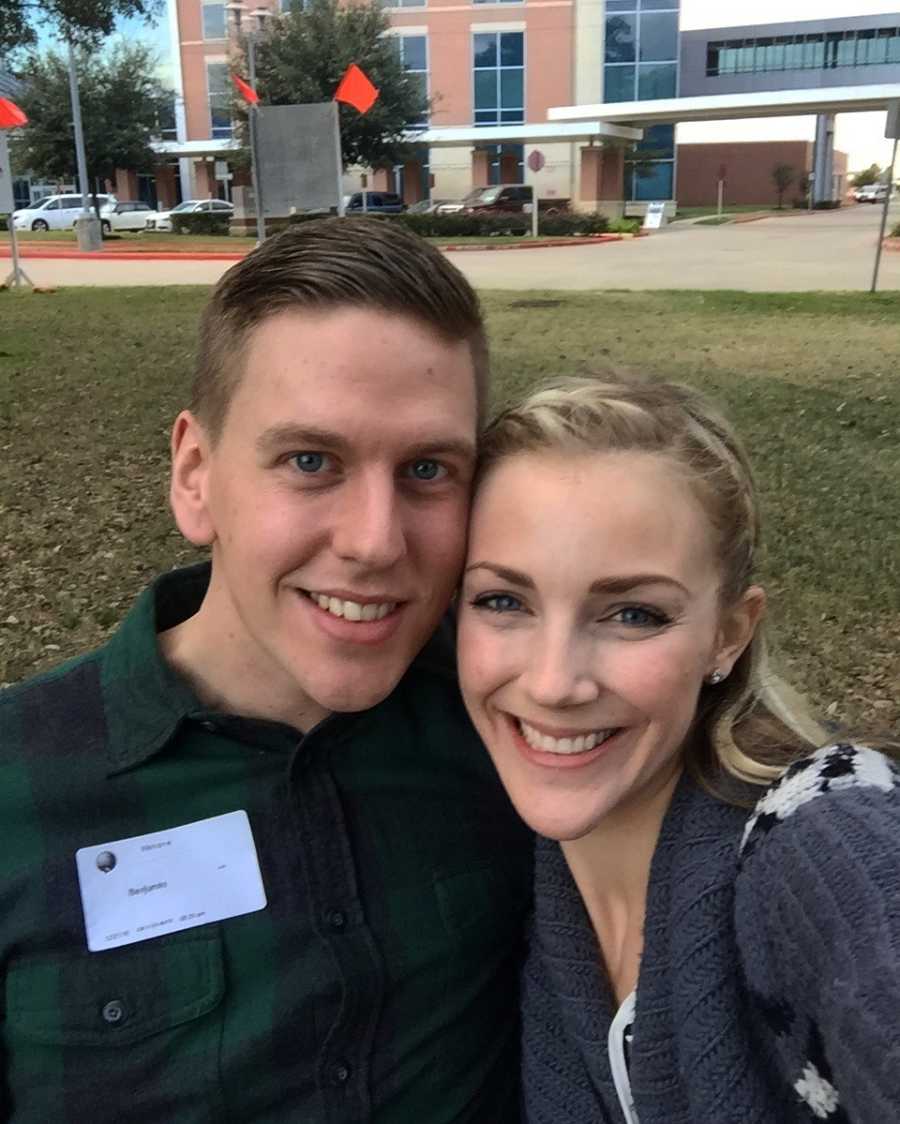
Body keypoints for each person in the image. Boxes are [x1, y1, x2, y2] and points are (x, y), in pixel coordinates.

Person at [0, 218, 531, 1123]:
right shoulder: (18, 790)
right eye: (311, 461)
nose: (375, 540)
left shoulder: (519, 731)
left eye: (429, 469)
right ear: (196, 476)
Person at [457, 374, 900, 1124]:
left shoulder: (820, 836)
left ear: (729, 633)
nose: (554, 681)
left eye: (633, 613)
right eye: (504, 601)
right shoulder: (508, 870)